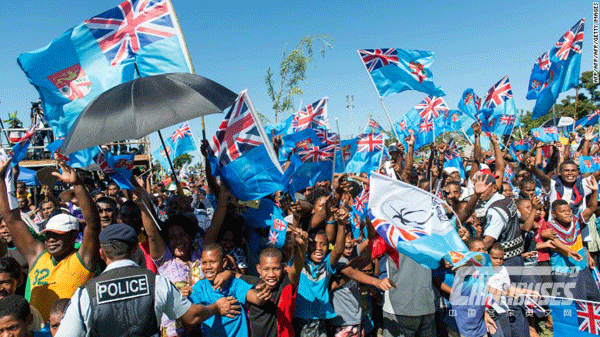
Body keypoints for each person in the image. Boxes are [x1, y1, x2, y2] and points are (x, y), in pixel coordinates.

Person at [55, 224, 241, 337]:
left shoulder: (85, 294)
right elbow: (191, 317)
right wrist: (215, 307)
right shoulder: (156, 283)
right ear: (136, 249)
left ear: (102, 253)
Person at [0, 158, 101, 322]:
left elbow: (93, 225)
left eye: (58, 234)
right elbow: (11, 220)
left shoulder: (83, 259)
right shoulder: (37, 255)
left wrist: (77, 184)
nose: (51, 239)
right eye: (48, 234)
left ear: (74, 235)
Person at [189, 243, 271, 337]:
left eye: (212, 262)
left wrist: (263, 294)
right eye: (204, 262)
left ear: (224, 263)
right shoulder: (200, 287)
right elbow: (193, 315)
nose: (207, 267)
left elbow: (256, 298)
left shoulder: (233, 284)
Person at [239, 227, 308, 337]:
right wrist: (226, 274)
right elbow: (234, 275)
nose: (271, 274)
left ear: (282, 267)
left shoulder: (285, 285)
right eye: (266, 269)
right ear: (258, 268)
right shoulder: (251, 283)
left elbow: (297, 269)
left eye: (276, 269)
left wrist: (301, 248)